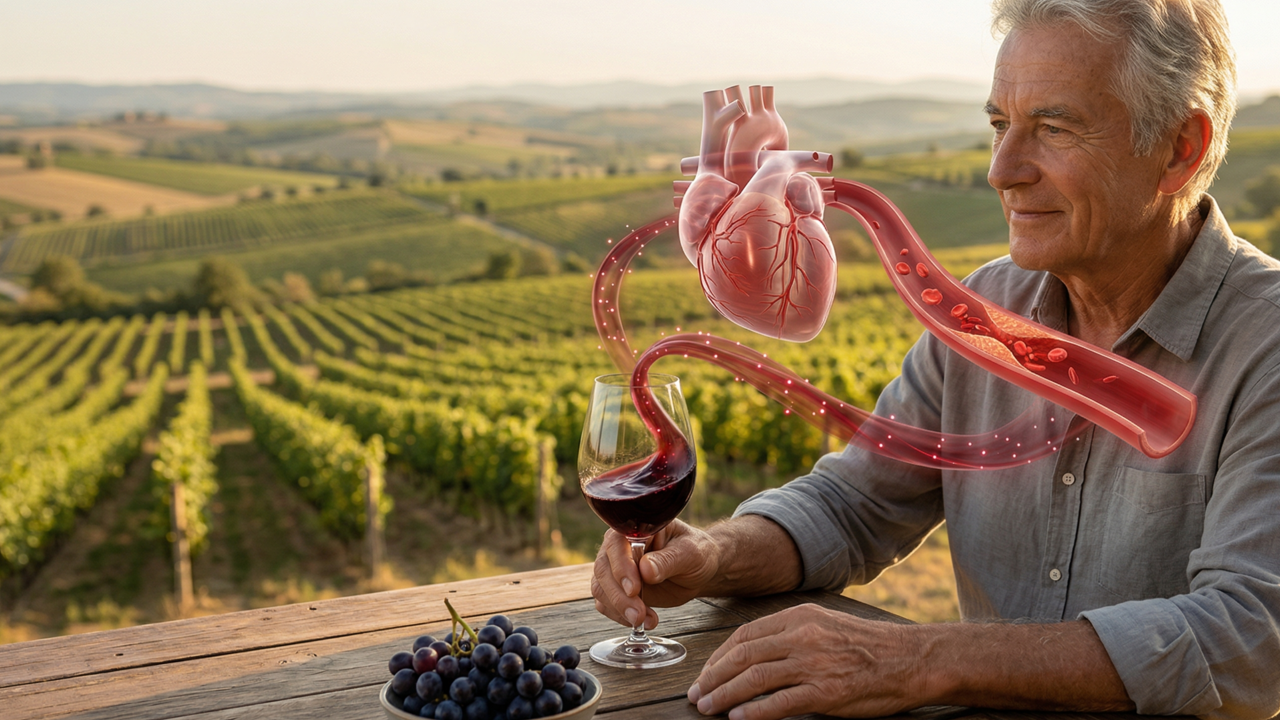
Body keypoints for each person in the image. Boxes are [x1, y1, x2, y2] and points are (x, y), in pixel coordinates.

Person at [591, 1, 1280, 718]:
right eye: (999, 125)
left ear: (1180, 149)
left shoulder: (1266, 346)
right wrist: (715, 556)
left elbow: (1250, 639)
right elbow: (856, 505)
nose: (1002, 171)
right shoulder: (980, 311)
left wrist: (922, 660)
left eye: (1054, 128)